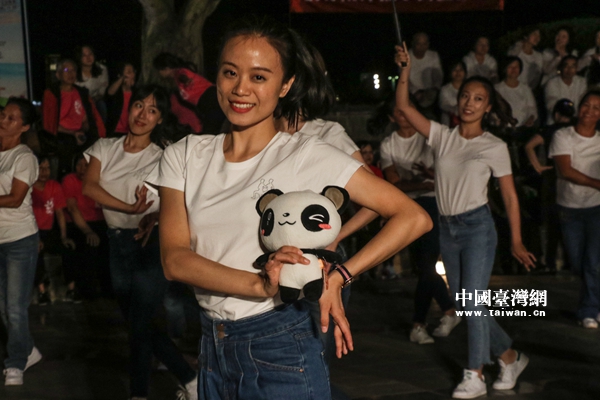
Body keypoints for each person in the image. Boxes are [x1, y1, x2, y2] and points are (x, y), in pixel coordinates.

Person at [147, 16, 432, 400]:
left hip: (280, 342)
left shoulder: (307, 153)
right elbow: (175, 260)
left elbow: (413, 217)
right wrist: (259, 283)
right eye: (230, 72)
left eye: (259, 77)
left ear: (285, 85)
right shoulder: (184, 155)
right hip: (212, 348)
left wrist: (340, 275)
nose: (241, 89)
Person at [395, 42, 536, 399]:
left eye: (478, 99)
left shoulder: (494, 146)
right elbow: (404, 107)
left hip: (477, 229)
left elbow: (509, 196)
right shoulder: (442, 136)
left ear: (488, 107)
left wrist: (516, 240)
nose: (469, 103)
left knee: (472, 301)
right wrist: (405, 69)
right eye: (465, 96)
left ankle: (474, 374)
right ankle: (510, 357)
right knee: (466, 304)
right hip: (448, 227)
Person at [82, 85, 197, 400]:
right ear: (128, 108)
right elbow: (90, 187)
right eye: (138, 105)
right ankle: (190, 378)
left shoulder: (163, 156)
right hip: (117, 241)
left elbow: (181, 200)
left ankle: (139, 393)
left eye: (152, 110)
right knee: (137, 322)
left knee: (139, 322)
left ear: (160, 119)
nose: (143, 114)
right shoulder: (105, 147)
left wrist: (154, 216)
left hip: (151, 242)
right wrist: (128, 208)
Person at [376, 96, 459, 345]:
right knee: (422, 267)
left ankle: (419, 323)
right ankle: (449, 311)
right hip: (406, 206)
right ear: (392, 117)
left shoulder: (429, 137)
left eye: (408, 109)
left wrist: (426, 181)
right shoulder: (389, 144)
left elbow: (446, 173)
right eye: (399, 112)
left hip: (433, 203)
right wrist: (423, 183)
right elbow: (394, 182)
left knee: (426, 264)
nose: (404, 115)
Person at [0, 98, 43, 386]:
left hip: (19, 239)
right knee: (4, 308)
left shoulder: (24, 157)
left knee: (15, 308)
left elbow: (16, 199)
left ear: (24, 127)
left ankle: (15, 363)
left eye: (12, 118)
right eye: (4, 114)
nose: (4, 120)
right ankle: (28, 350)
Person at [548, 90, 600, 329]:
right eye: (587, 105)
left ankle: (588, 310)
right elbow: (565, 170)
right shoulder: (562, 135)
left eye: (596, 108)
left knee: (593, 262)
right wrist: (597, 183)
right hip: (569, 208)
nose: (590, 111)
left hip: (596, 207)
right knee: (578, 263)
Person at [525, 99, 575, 273]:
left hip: (553, 176)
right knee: (569, 220)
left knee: (553, 222)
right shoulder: (573, 130)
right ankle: (569, 261)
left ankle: (551, 261)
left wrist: (538, 167)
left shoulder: (550, 130)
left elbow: (529, 146)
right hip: (570, 176)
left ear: (556, 114)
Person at [42, 58, 106, 178]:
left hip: (79, 132)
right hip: (61, 133)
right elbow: (50, 123)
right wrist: (73, 133)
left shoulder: (81, 93)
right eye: (66, 70)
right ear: (58, 74)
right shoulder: (52, 93)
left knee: (96, 145)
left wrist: (83, 131)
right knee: (67, 146)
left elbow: (87, 118)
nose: (71, 73)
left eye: (74, 70)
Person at [61, 153, 110, 300]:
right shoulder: (70, 180)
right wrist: (88, 231)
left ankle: (109, 291)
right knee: (87, 246)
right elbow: (72, 208)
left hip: (100, 222)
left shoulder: (101, 180)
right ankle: (87, 292)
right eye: (79, 165)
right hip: (78, 223)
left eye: (86, 165)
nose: (82, 169)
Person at [31, 155, 76, 305]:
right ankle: (42, 291)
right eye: (41, 168)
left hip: (49, 231)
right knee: (35, 251)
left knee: (68, 247)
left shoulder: (54, 186)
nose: (44, 172)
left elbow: (59, 213)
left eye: (47, 168)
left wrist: (63, 236)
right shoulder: (28, 188)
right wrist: (35, 238)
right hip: (32, 232)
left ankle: (71, 288)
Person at [153, 52, 226, 135]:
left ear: (166, 68)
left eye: (159, 70)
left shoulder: (180, 72)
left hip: (210, 98)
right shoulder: (176, 79)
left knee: (210, 133)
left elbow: (184, 76)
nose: (159, 74)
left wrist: (185, 80)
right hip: (205, 103)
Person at [495, 57, 538, 128]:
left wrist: (530, 119)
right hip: (503, 128)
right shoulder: (497, 89)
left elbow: (532, 109)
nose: (514, 70)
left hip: (522, 128)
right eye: (510, 67)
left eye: (516, 67)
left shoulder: (526, 89)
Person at [544, 55, 587, 124]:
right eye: (566, 66)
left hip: (575, 121)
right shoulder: (552, 83)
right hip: (556, 122)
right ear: (561, 67)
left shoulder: (581, 82)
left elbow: (582, 101)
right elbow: (551, 103)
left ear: (577, 68)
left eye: (572, 66)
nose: (569, 69)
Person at [408, 32, 443, 113]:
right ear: (413, 44)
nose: (422, 47)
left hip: (430, 92)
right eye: (419, 44)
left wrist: (434, 89)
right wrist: (416, 92)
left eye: (424, 44)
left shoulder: (433, 55)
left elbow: (438, 74)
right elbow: (404, 78)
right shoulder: (407, 57)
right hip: (412, 94)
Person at [75, 45, 109, 121]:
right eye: (84, 55)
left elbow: (102, 91)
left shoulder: (102, 69)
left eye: (90, 54)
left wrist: (94, 99)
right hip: (79, 101)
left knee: (101, 105)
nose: (88, 57)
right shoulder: (75, 72)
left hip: (95, 99)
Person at [105, 62, 136, 137]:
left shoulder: (136, 92)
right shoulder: (116, 91)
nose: (132, 75)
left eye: (133, 72)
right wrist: (122, 78)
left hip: (131, 133)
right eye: (129, 72)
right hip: (115, 132)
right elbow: (109, 93)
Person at [439, 61, 466, 127]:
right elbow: (443, 105)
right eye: (455, 70)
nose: (458, 72)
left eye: (460, 70)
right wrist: (455, 110)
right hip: (448, 124)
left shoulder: (470, 88)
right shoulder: (445, 89)